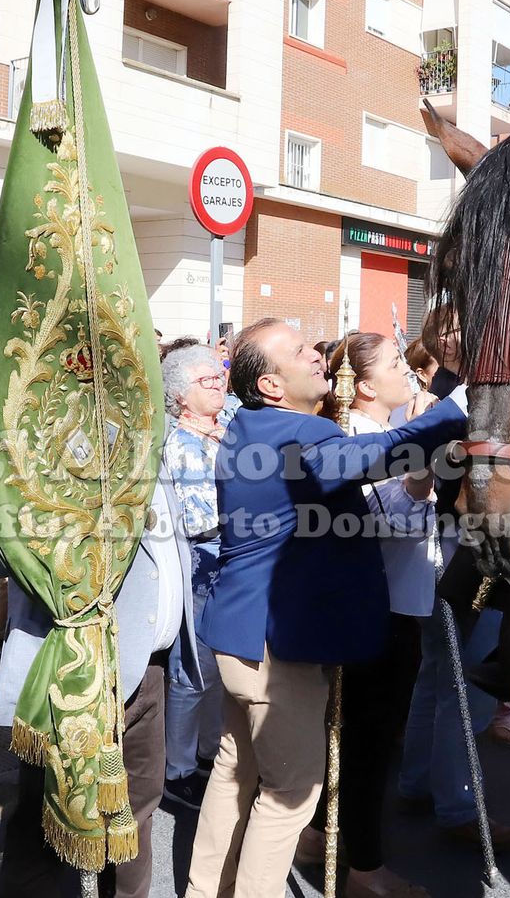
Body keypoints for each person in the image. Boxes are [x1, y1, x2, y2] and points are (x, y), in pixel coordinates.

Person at [184, 318, 469, 898]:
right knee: (290, 797)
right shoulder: (297, 437)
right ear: (268, 384)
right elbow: (390, 451)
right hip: (273, 648)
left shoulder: (253, 427)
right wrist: (461, 399)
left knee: (235, 775)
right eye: (300, 352)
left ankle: (203, 889)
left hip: (241, 635)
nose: (319, 355)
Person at [293, 333, 470, 898]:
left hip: (402, 604)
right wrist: (422, 469)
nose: (413, 375)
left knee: (365, 739)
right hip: (382, 609)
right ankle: (365, 870)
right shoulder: (362, 438)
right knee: (368, 747)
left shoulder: (385, 434)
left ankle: (322, 831)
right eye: (399, 365)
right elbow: (385, 523)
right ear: (365, 385)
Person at [0, 468, 200, 898]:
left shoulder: (146, 432)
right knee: (47, 820)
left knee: (136, 812)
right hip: (73, 669)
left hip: (149, 667)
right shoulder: (50, 432)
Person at [158, 343, 226, 812]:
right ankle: (177, 771)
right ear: (182, 395)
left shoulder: (224, 433)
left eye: (219, 374)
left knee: (220, 670)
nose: (219, 382)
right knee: (192, 673)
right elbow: (201, 519)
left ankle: (206, 755)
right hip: (200, 567)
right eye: (207, 380)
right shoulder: (180, 444)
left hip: (228, 565)